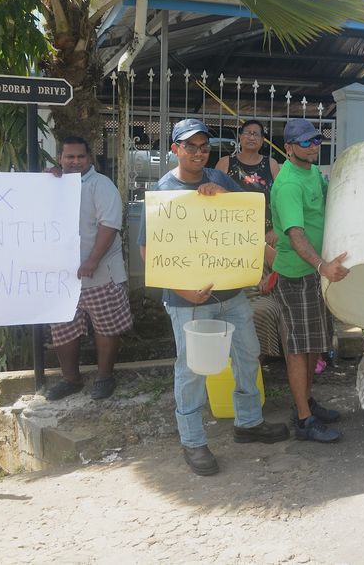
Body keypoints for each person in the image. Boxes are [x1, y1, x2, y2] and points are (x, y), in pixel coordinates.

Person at [139, 118, 288, 476]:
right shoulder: (165, 191)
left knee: (248, 355)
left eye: (204, 147)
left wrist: (224, 198)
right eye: (190, 146)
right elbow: (148, 249)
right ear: (175, 149)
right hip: (187, 302)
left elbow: (244, 219)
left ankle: (248, 422)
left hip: (232, 294)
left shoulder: (219, 178)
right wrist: (182, 290)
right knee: (192, 370)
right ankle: (192, 441)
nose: (198, 153)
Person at [271, 118, 350, 443]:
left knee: (315, 345)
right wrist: (322, 267)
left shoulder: (312, 173)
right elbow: (295, 233)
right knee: (299, 350)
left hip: (314, 274)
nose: (313, 145)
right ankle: (303, 420)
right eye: (305, 142)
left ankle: (306, 402)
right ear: (289, 148)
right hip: (298, 277)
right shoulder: (289, 184)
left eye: (316, 140)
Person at [45, 136, 133, 401]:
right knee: (63, 329)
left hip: (101, 272)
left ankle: (104, 378)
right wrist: (46, 183)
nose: (74, 162)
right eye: (69, 157)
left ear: (89, 159)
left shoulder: (101, 186)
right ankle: (71, 380)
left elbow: (109, 226)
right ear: (60, 158)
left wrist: (92, 260)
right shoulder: (54, 185)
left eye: (80, 157)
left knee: (106, 327)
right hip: (63, 277)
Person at [214, 118, 280, 246]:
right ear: (240, 137)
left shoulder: (271, 164)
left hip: (265, 235)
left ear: (262, 140)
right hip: (230, 234)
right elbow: (213, 197)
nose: (251, 137)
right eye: (247, 133)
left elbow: (281, 199)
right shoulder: (225, 162)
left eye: (256, 134)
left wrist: (276, 229)